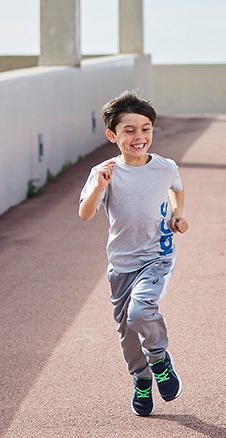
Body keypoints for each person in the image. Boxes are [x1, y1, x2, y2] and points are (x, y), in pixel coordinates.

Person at [79, 89, 189, 417]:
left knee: (140, 312)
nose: (139, 137)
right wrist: (100, 185)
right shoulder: (105, 172)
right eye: (129, 131)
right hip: (121, 264)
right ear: (113, 135)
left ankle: (160, 360)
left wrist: (177, 215)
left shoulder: (165, 166)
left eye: (145, 129)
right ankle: (141, 379)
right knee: (127, 333)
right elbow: (85, 214)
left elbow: (177, 190)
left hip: (157, 256)